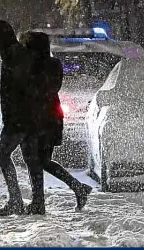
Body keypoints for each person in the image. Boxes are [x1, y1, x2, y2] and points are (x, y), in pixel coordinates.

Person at [22, 32, 92, 214]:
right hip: (51, 118)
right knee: (42, 160)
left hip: (37, 119)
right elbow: (51, 88)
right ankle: (76, 188)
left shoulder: (32, 66)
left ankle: (40, 201)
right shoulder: (54, 64)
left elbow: (33, 90)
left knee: (35, 160)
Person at [0, 20, 35, 216]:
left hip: (19, 118)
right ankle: (28, 199)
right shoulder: (13, 54)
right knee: (30, 158)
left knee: (3, 154)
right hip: (20, 117)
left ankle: (16, 200)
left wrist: (15, 116)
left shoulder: (13, 55)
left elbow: (18, 89)